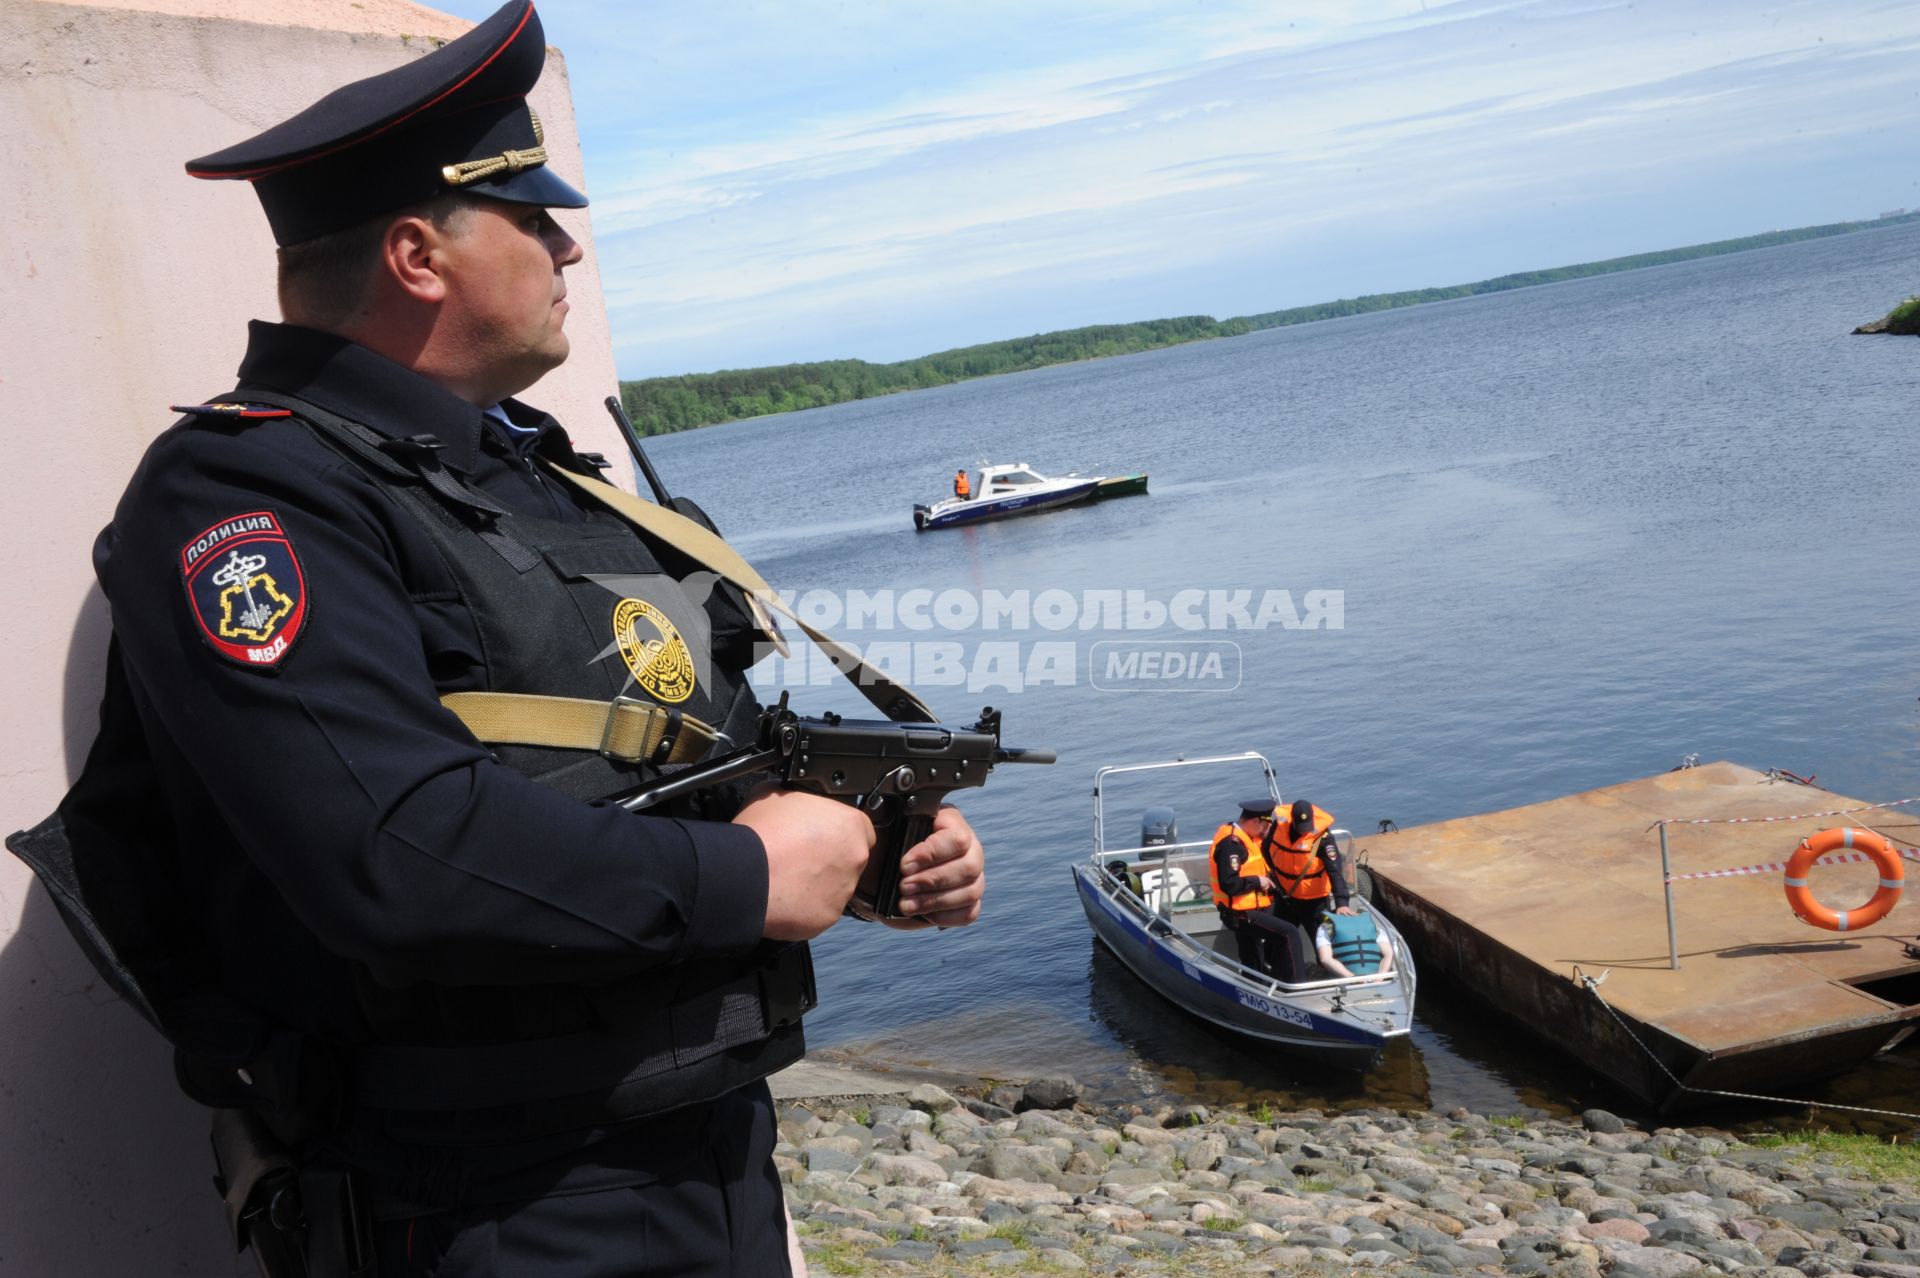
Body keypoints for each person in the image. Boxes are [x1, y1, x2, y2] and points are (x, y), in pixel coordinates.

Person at [9, 4, 985, 1275]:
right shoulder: (245, 501)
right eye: (533, 218)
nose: (568, 248)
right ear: (420, 255)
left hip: (706, 1139)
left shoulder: (540, 484)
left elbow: (664, 769)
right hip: (482, 1205)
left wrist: (868, 850)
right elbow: (392, 853)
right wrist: (746, 880)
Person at [1209, 797, 1292, 975]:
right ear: (1255, 821)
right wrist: (1257, 881)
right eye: (1265, 826)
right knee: (1288, 934)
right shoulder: (1232, 845)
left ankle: (1259, 979)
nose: (1267, 831)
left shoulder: (1249, 838)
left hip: (1252, 906)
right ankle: (1289, 981)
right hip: (1240, 912)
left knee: (1252, 953)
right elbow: (1229, 884)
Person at [1315, 910, 1395, 979]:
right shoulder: (1373, 925)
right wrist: (1379, 979)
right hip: (1376, 979)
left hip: (1346, 981)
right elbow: (1389, 954)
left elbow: (1325, 959)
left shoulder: (1324, 928)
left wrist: (1353, 978)